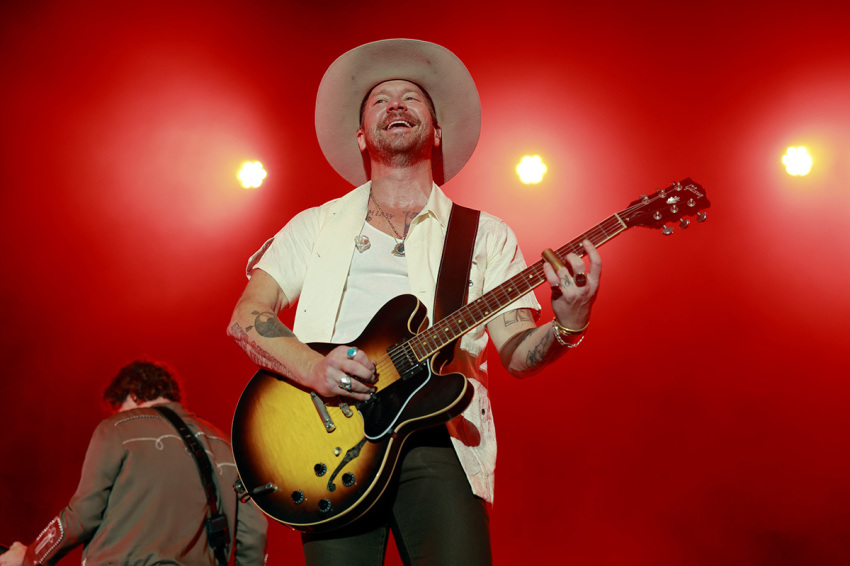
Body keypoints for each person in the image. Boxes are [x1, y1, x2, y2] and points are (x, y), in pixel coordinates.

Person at [227, 39, 601, 566]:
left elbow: (517, 354)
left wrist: (569, 322)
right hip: (331, 439)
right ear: (361, 136)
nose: (396, 104)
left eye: (412, 97)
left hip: (442, 438)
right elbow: (247, 317)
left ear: (437, 129)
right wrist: (315, 369)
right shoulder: (315, 226)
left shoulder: (484, 235)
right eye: (380, 100)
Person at [0, 360, 268, 566]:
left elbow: (82, 515)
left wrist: (30, 556)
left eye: (119, 409)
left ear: (133, 395)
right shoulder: (226, 446)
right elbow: (254, 534)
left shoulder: (118, 427)